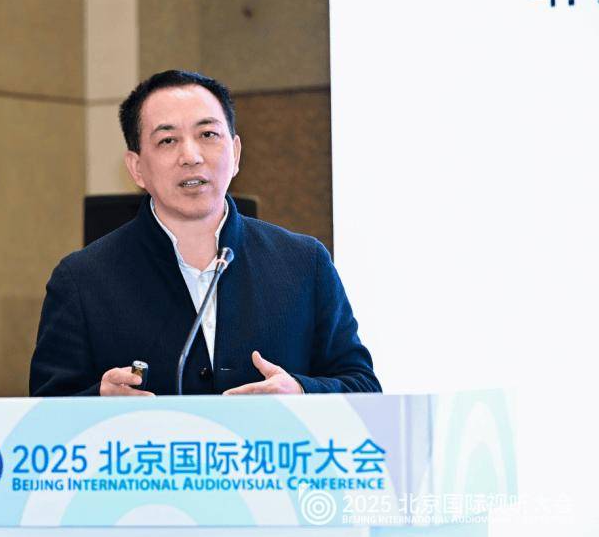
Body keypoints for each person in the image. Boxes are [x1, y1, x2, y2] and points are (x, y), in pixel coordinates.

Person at [29, 70, 380, 397]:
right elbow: (43, 414)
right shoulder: (82, 280)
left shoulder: (303, 263)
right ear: (137, 168)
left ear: (236, 153)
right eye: (168, 140)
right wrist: (96, 402)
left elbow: (363, 387)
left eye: (208, 135)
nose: (191, 156)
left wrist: (302, 392)